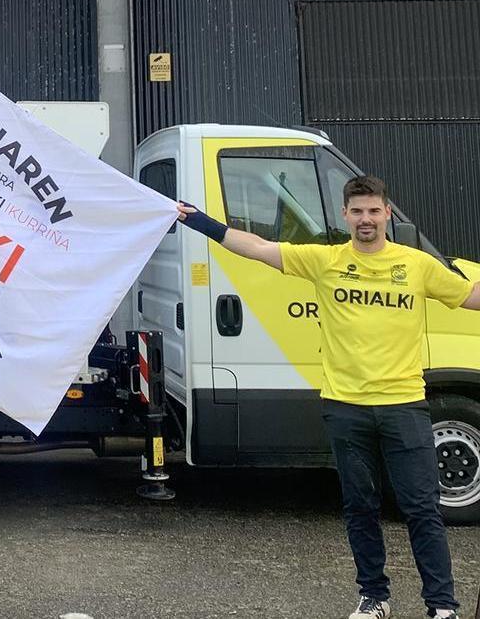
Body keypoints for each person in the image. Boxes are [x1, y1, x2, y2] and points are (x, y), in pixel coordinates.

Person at [179, 175, 480, 619]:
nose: (366, 219)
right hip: (346, 406)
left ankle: (441, 606)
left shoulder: (416, 265)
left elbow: (471, 294)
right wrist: (202, 222)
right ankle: (375, 598)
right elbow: (258, 247)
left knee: (421, 508)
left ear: (387, 214)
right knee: (360, 507)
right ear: (345, 215)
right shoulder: (325, 261)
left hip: (404, 405)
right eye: (357, 211)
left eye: (374, 211)